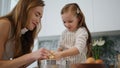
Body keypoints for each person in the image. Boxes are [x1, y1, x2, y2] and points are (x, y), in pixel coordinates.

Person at [0, 0, 50, 67]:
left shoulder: (23, 33)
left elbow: (19, 66)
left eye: (40, 18)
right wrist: (31, 56)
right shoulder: (4, 24)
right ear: (25, 10)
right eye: (36, 15)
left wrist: (36, 57)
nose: (38, 21)